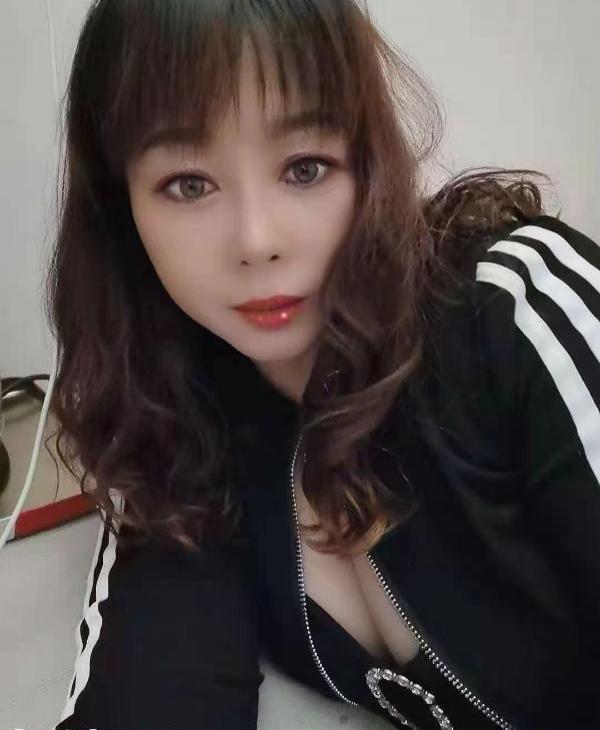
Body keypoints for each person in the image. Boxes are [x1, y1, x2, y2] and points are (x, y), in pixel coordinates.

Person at [46, 1, 600, 729]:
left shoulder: (512, 305)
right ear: (122, 209)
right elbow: (155, 688)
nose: (257, 241)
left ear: (368, 161)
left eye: (305, 168)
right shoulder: (177, 420)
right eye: (188, 184)